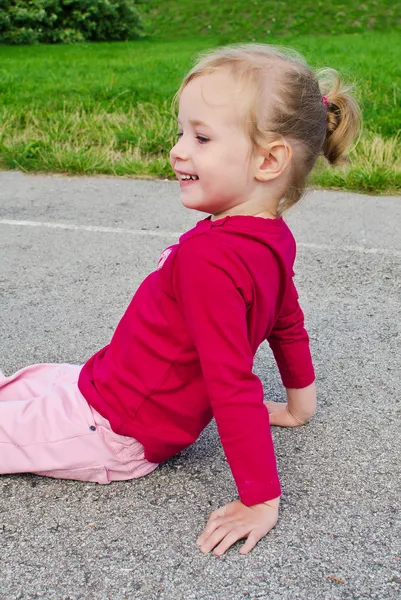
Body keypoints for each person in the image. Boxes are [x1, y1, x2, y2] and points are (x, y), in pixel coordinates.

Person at [0, 43, 360, 556]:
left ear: (268, 160)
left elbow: (231, 381)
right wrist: (301, 405)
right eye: (182, 132)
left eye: (202, 137)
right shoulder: (271, 235)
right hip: (107, 386)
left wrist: (261, 498)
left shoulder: (210, 259)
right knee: (26, 382)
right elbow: (287, 320)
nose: (178, 149)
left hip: (115, 428)